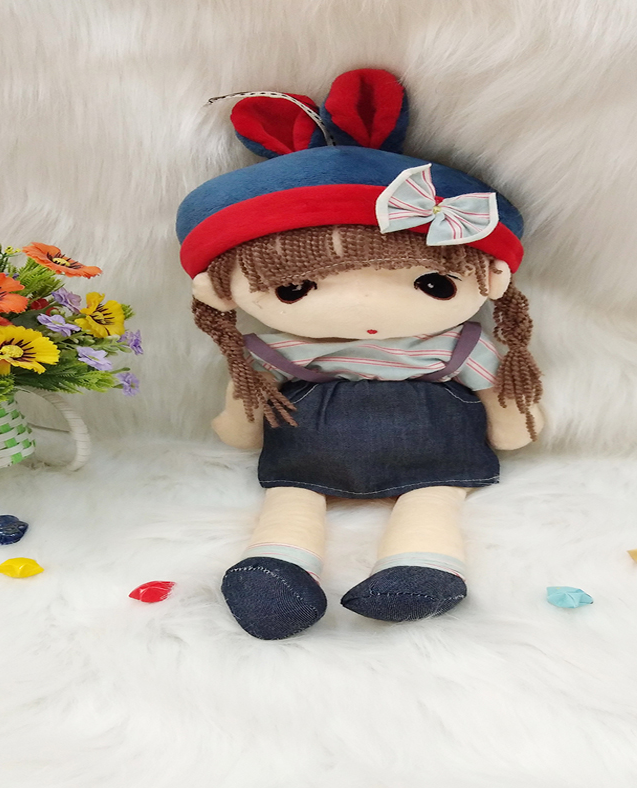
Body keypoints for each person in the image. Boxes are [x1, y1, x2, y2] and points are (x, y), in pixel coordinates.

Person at [177, 69, 543, 639]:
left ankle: (422, 569)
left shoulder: (459, 348)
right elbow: (250, 398)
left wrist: (514, 422)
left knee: (432, 501)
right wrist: (239, 424)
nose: (366, 309)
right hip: (308, 456)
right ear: (219, 293)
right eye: (293, 288)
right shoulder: (277, 352)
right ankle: (274, 571)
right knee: (292, 499)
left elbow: (501, 392)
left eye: (432, 284)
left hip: (432, 457)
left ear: (491, 278)